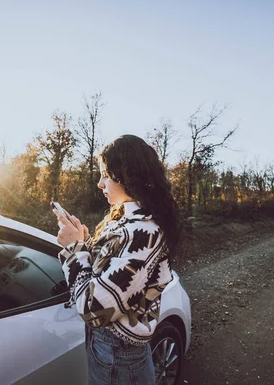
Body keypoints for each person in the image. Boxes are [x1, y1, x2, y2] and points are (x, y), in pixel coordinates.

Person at [53, 134, 180, 385]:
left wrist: (75, 248)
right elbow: (108, 273)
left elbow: (94, 310)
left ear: (128, 177)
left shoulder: (144, 231)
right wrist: (86, 244)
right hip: (112, 352)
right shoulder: (128, 220)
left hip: (119, 358)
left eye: (106, 175)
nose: (100, 184)